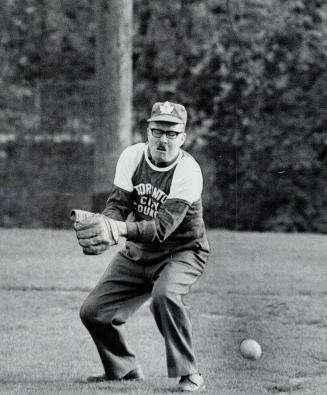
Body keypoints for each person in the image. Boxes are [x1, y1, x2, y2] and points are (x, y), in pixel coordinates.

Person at [73, 101, 210, 392]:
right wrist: (105, 227)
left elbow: (161, 229)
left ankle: (190, 373)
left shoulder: (188, 171)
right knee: (93, 311)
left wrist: (117, 229)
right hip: (139, 253)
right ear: (147, 132)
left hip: (182, 252)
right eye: (157, 131)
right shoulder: (132, 157)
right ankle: (124, 371)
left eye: (171, 134)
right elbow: (118, 205)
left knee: (165, 296)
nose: (163, 139)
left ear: (182, 138)